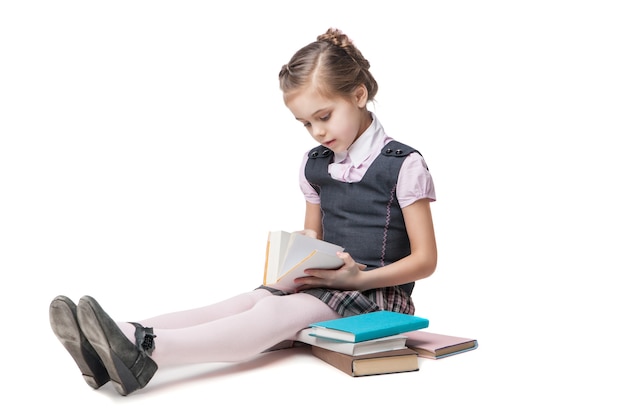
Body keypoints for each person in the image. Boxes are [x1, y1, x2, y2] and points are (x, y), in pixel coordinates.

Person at [49, 28, 438, 396]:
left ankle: (146, 349)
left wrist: (358, 281)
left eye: (324, 116)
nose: (317, 132)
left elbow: (425, 261)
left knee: (274, 313)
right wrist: (300, 254)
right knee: (246, 302)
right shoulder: (315, 163)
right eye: (305, 123)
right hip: (331, 285)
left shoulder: (402, 164)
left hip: (378, 293)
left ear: (357, 95)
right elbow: (314, 236)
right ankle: (118, 335)